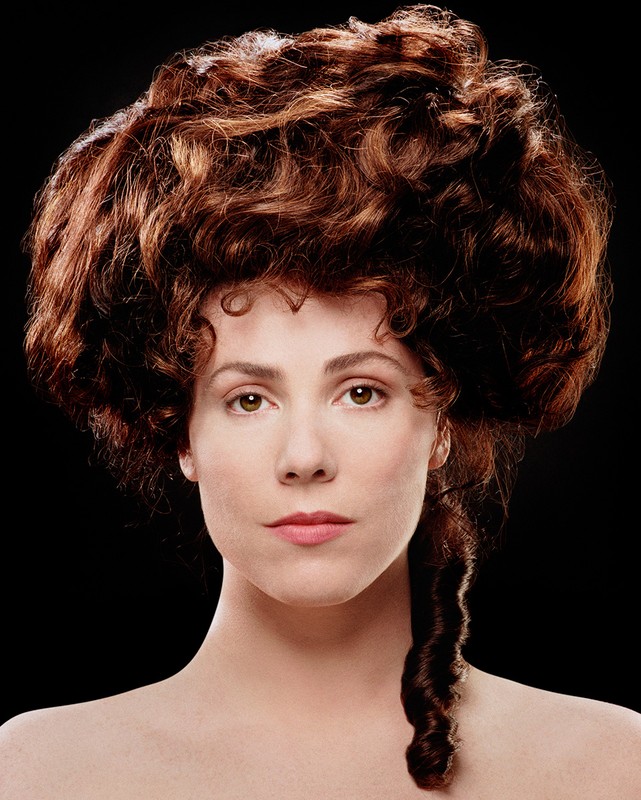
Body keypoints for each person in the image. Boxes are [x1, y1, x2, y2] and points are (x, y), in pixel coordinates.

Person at [2, 4, 639, 797]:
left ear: (441, 417)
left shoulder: (611, 768)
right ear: (179, 429)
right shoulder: (37, 773)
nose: (303, 457)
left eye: (360, 391)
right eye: (248, 399)